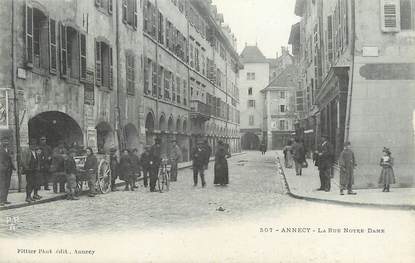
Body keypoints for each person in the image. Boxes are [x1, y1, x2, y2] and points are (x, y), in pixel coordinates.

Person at [0, 138, 15, 206]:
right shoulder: (0, 150)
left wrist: (13, 167)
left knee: (7, 185)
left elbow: (11, 159)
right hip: (2, 171)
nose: (6, 142)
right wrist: (3, 167)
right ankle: (1, 201)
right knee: (2, 185)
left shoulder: (8, 150)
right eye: (4, 141)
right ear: (1, 142)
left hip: (9, 170)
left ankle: (5, 199)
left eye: (7, 141)